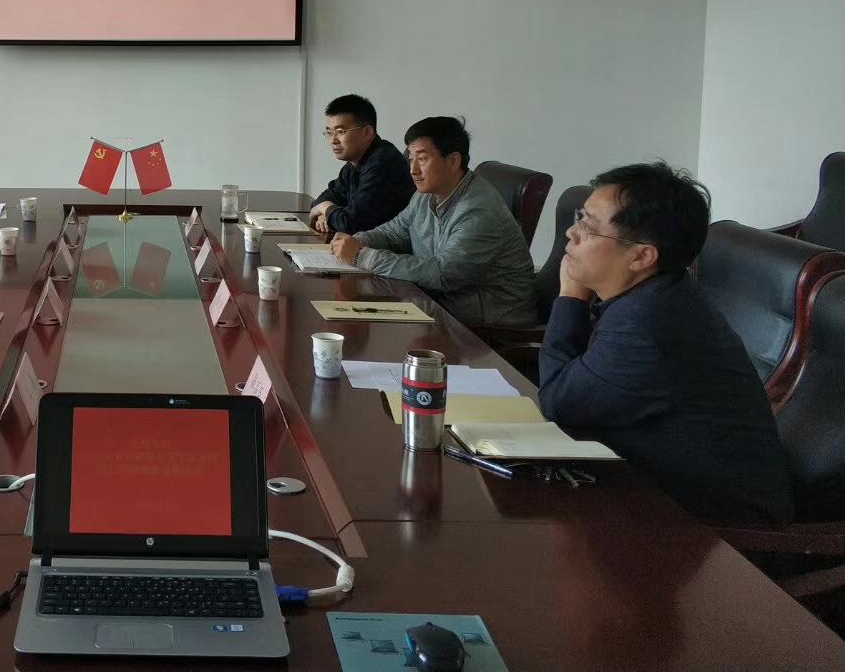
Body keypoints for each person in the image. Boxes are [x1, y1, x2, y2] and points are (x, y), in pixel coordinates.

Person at [538, 162, 793, 524]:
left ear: (642, 256)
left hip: (711, 533)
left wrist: (570, 296)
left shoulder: (645, 323)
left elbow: (558, 402)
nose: (570, 233)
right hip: (650, 489)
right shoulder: (656, 296)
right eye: (580, 218)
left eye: (588, 228)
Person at [331, 116, 536, 329]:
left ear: (453, 160)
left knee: (366, 316)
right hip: (445, 302)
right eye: (411, 159)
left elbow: (443, 275)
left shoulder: (479, 211)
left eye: (422, 159)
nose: (413, 170)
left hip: (491, 321)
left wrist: (361, 256)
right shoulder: (426, 194)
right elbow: (395, 232)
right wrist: (358, 241)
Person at [307, 94, 414, 237]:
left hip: (389, 248)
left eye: (340, 132)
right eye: (329, 132)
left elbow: (351, 224)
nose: (333, 140)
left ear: (367, 132)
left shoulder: (382, 163)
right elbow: (325, 198)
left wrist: (325, 208)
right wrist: (323, 214)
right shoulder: (354, 162)